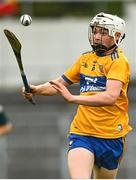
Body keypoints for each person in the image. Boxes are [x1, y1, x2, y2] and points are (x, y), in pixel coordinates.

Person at [22, 12, 132, 179]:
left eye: (103, 33)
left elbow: (110, 97)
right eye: (95, 31)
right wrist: (35, 89)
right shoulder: (85, 59)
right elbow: (58, 85)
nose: (96, 36)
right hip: (82, 132)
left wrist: (73, 98)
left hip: (111, 136)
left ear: (116, 35)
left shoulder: (118, 62)